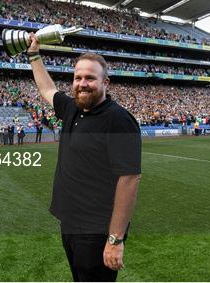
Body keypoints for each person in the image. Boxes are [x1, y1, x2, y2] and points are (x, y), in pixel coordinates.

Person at [27, 34, 142, 281]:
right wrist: (35, 55)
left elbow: (130, 179)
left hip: (96, 231)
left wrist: (115, 239)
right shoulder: (72, 108)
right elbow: (47, 89)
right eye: (78, 78)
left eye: (90, 78)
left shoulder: (118, 120)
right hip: (69, 223)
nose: (82, 83)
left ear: (105, 82)